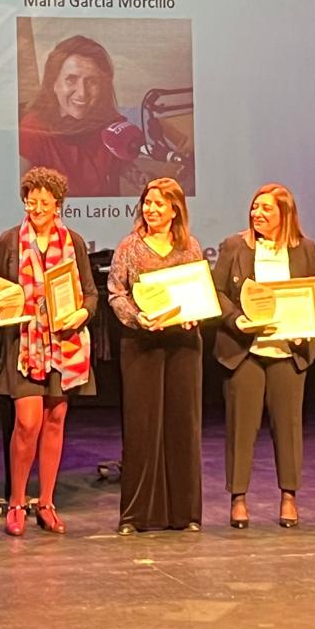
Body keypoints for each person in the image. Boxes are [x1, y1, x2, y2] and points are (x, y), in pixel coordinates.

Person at [0, 166, 98, 536]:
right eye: (30, 201)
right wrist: (1, 305)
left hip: (64, 345)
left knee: (55, 422)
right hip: (24, 345)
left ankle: (47, 502)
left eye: (43, 202)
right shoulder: (9, 241)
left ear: (58, 205)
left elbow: (91, 294)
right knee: (27, 423)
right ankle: (17, 501)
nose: (35, 208)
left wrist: (81, 312)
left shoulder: (75, 242)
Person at [212, 183, 315, 529]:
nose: (258, 214)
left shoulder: (304, 248)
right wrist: (236, 320)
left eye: (266, 209)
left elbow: (311, 294)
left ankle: (289, 496)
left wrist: (308, 326)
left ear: (284, 215)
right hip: (245, 351)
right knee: (241, 427)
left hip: (288, 351)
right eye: (255, 207)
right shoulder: (235, 246)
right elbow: (217, 291)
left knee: (288, 427)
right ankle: (238, 498)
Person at [107, 177, 207, 534]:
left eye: (159, 204)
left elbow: (199, 290)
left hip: (182, 342)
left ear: (175, 209)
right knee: (142, 427)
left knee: (183, 424)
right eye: (147, 202)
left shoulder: (189, 247)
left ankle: (185, 514)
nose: (151, 209)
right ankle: (135, 516)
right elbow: (116, 292)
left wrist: (195, 311)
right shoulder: (130, 247)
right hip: (141, 343)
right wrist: (138, 317)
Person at [18, 35, 142, 197]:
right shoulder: (34, 127)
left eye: (92, 82)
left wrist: (139, 178)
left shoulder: (109, 123)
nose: (82, 93)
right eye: (71, 80)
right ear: (53, 84)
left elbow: (120, 164)